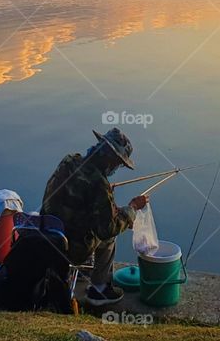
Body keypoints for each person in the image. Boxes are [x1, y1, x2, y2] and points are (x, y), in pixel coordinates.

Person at [41, 127, 147, 306]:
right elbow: (108, 229)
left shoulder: (69, 161)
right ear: (111, 159)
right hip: (68, 248)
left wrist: (103, 193)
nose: (117, 166)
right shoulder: (99, 184)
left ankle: (84, 271)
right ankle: (99, 290)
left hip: (45, 234)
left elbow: (72, 192)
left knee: (89, 222)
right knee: (110, 236)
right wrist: (132, 209)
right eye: (118, 162)